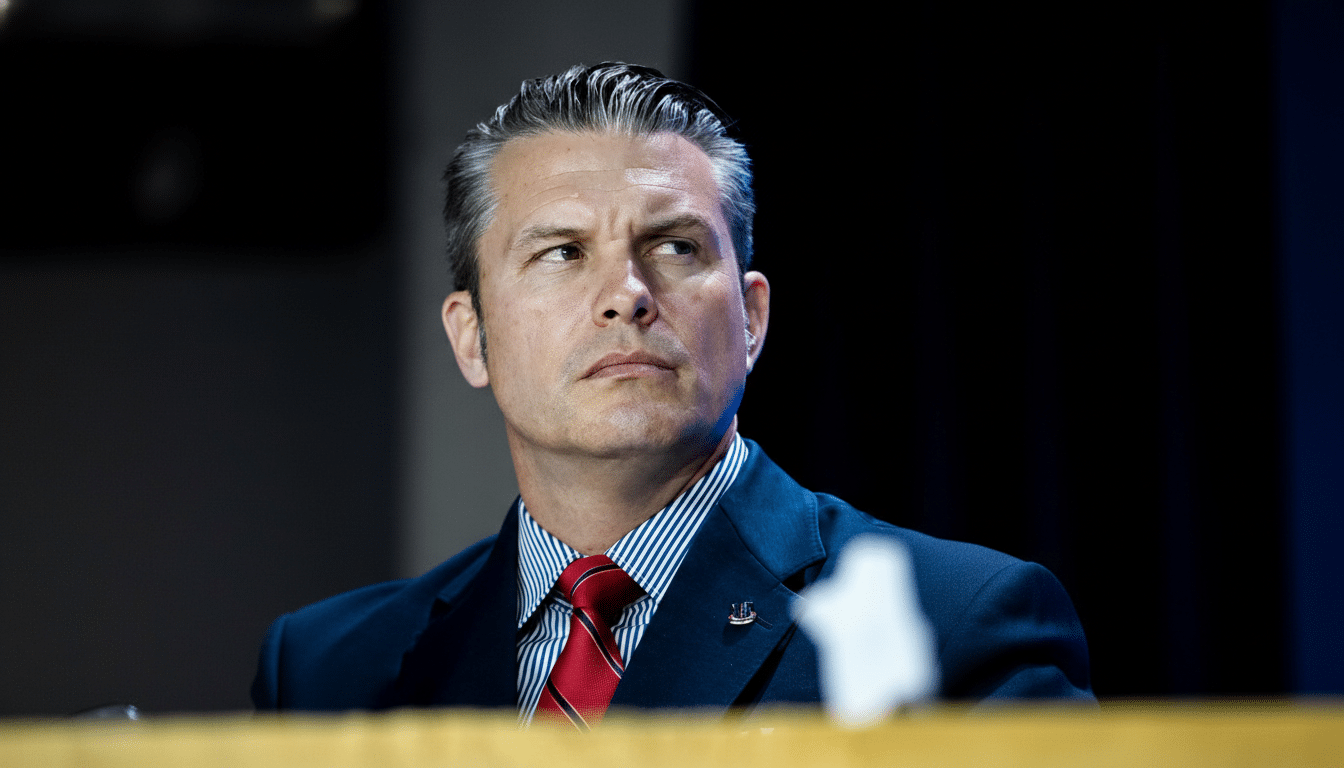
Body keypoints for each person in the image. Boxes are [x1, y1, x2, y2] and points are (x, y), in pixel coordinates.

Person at [251, 63, 1093, 725]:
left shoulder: (958, 625)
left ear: (752, 317)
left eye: (676, 246)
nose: (627, 294)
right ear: (472, 337)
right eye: (562, 252)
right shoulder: (326, 671)